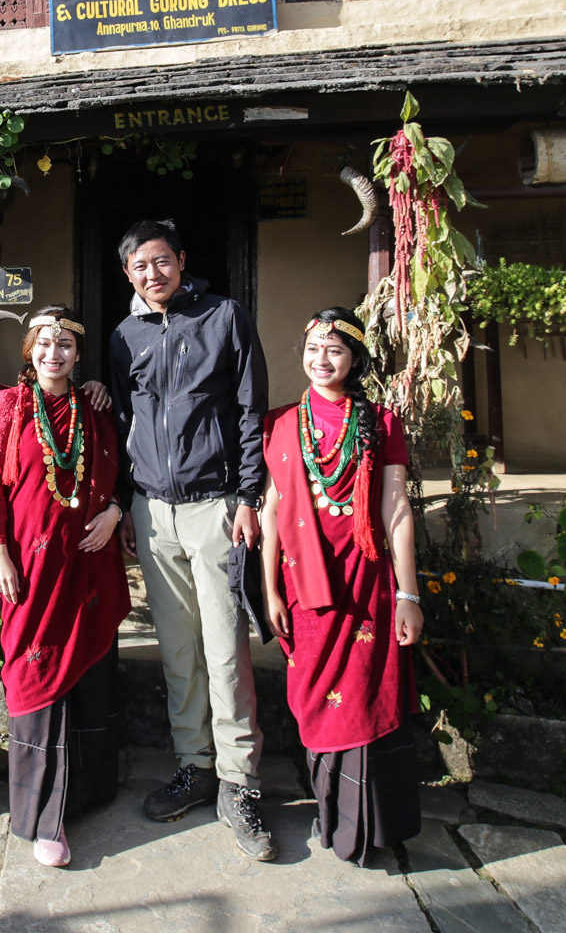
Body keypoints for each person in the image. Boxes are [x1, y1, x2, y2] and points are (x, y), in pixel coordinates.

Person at [108, 219, 275, 862]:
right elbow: (124, 419)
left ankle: (240, 782)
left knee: (225, 649)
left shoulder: (224, 316)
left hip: (215, 507)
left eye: (161, 261)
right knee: (178, 650)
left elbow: (249, 407)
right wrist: (125, 503)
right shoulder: (125, 336)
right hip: (153, 513)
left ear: (181, 260)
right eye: (139, 266)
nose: (153, 273)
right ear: (128, 275)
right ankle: (193, 766)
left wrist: (248, 496)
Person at [260, 308, 422, 866]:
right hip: (305, 585)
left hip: (366, 581)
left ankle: (367, 829)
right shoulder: (281, 424)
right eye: (312, 350)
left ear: (354, 359)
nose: (320, 360)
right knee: (316, 698)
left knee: (365, 695)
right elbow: (272, 512)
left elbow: (396, 508)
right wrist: (271, 591)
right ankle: (331, 818)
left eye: (333, 350)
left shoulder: (382, 421)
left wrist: (408, 593)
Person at [0, 305, 130, 868]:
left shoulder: (94, 408)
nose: (54, 353)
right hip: (30, 567)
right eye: (44, 343)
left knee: (89, 670)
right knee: (34, 673)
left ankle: (86, 796)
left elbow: (118, 470)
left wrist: (116, 509)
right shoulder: (9, 406)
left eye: (65, 344)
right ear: (29, 350)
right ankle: (43, 815)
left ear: (78, 353)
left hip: (87, 562)